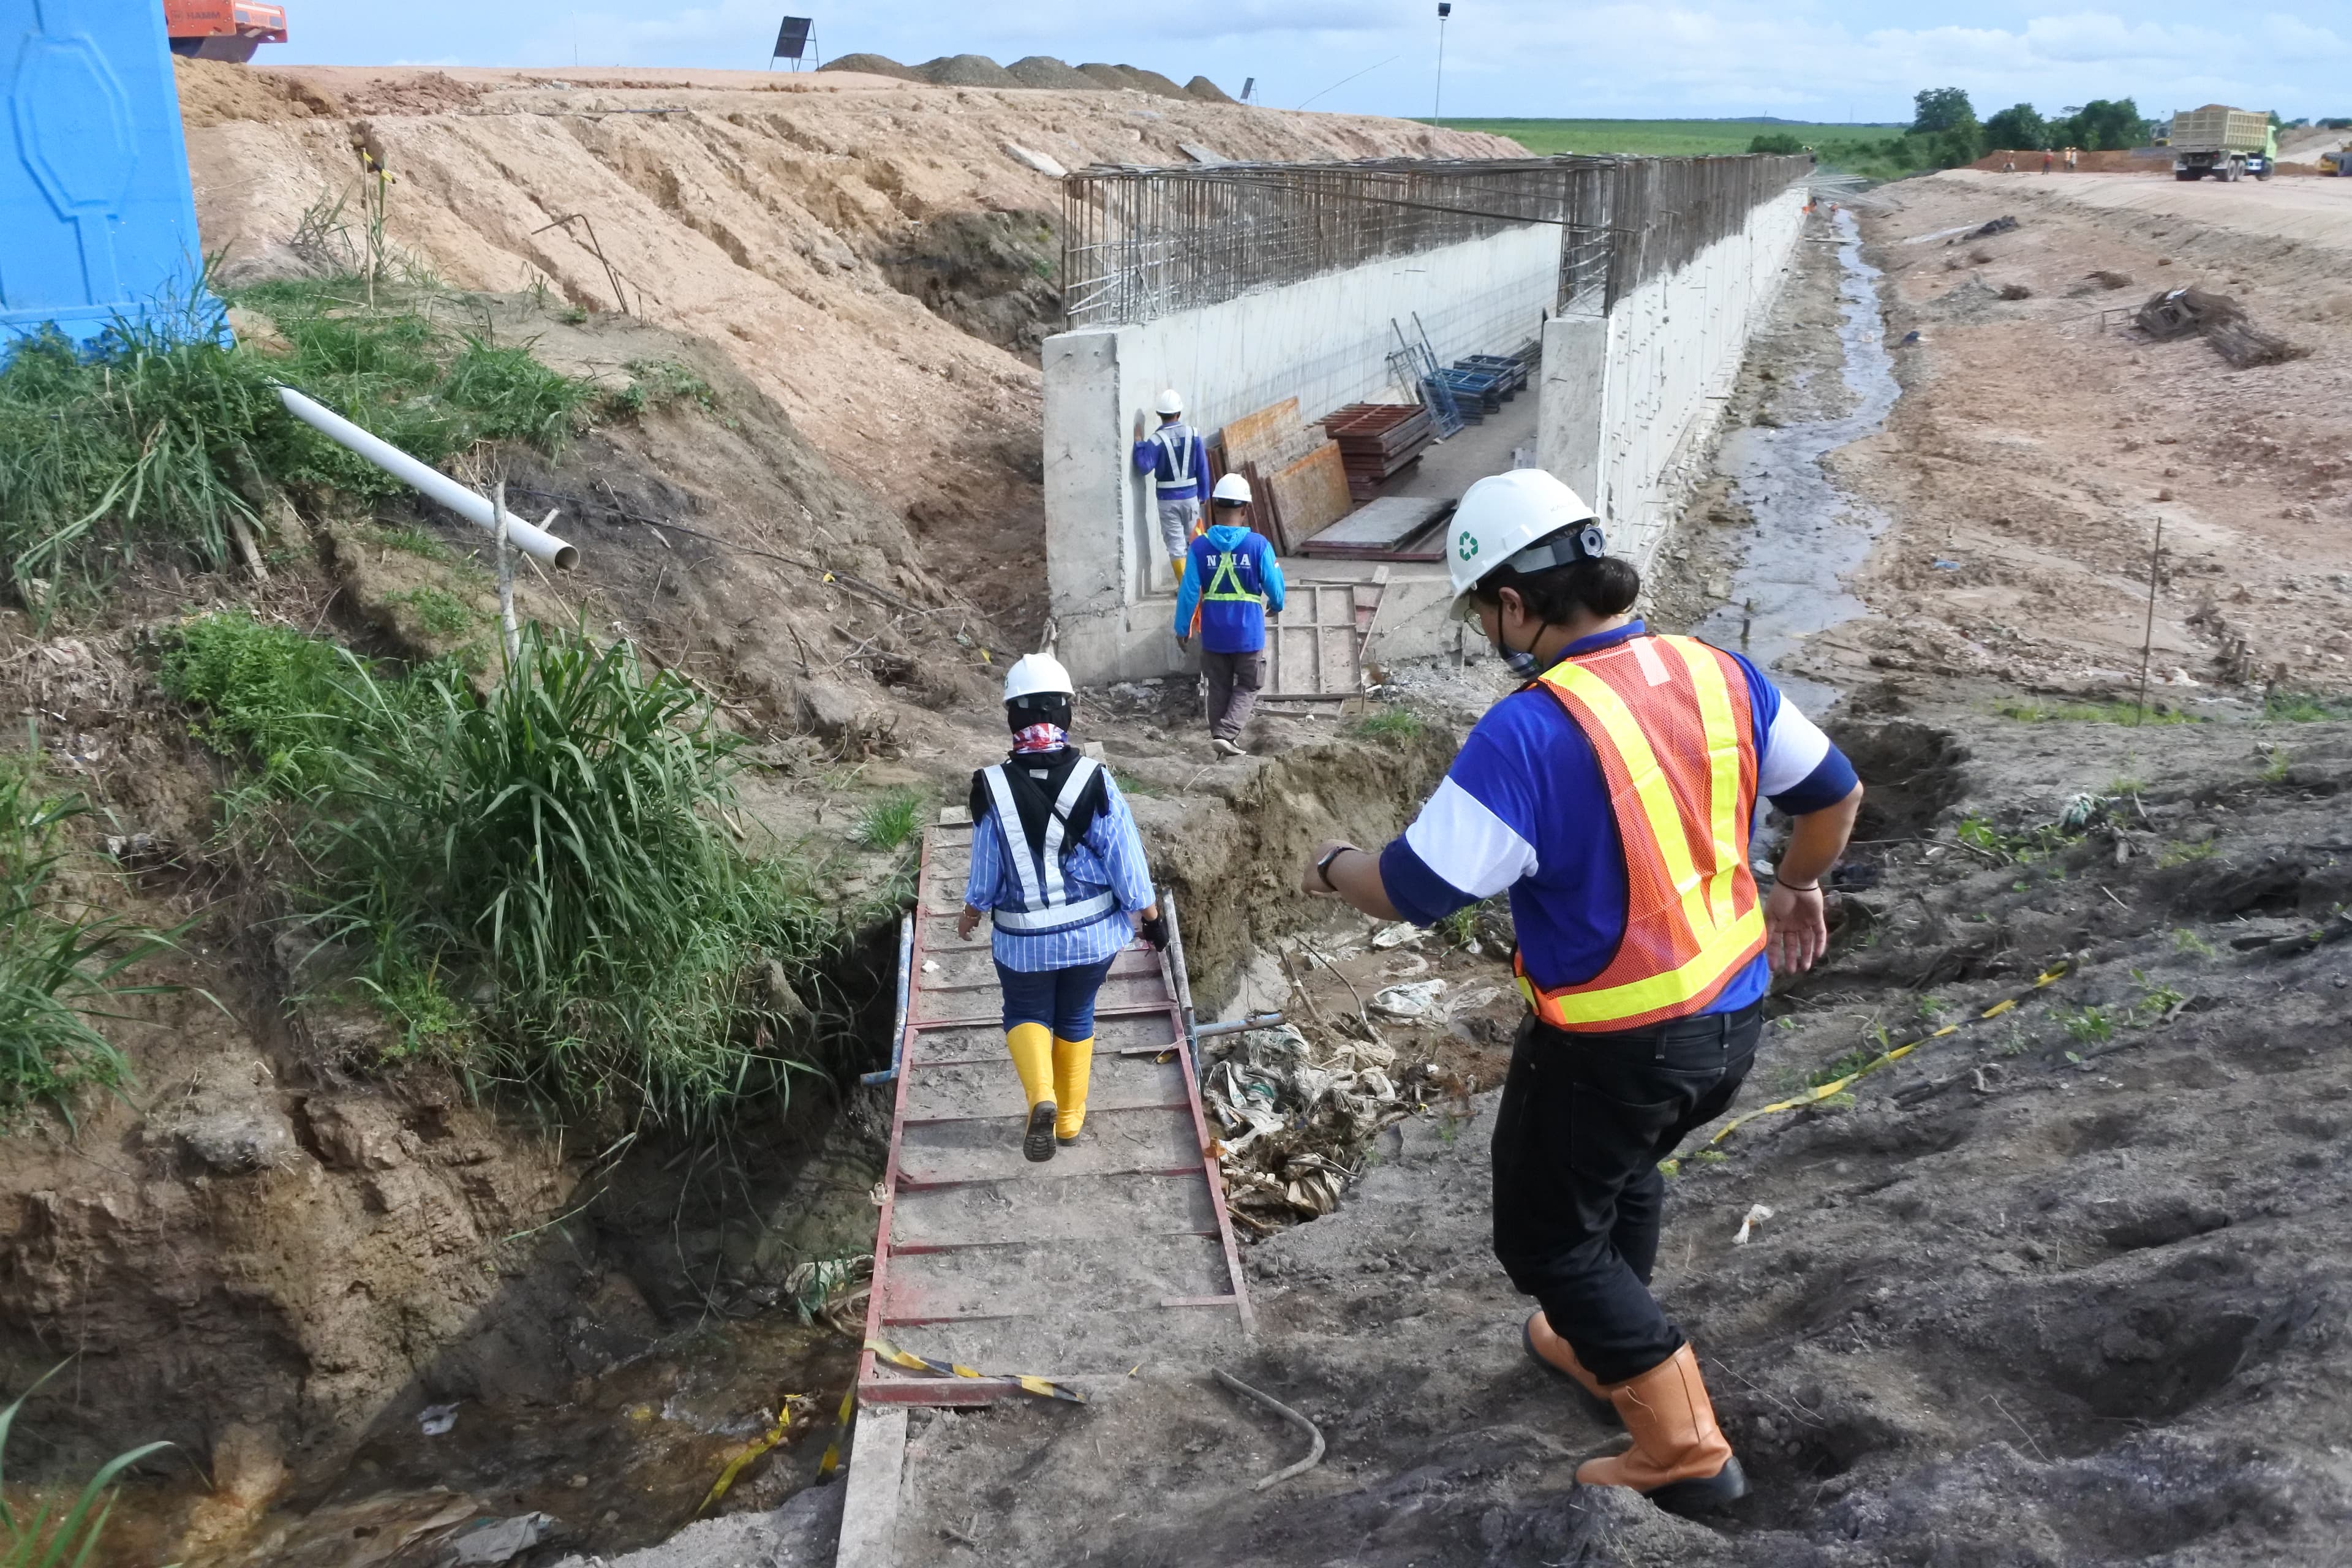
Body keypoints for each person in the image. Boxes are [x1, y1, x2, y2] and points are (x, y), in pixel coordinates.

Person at [1297, 470, 1861, 1515]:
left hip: (1613, 1044)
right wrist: (1797, 886)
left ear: (1515, 605)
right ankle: (1595, 1342)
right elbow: (1834, 792)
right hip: (1729, 1024)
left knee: (1548, 1239)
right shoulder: (1715, 672)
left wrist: (1334, 865)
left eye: (1483, 614)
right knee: (1622, 1173)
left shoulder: (1530, 730)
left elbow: (1416, 888)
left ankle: (1686, 1450)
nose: (1487, 634)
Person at [959, 654, 1166, 1162]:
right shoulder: (1094, 778)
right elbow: (1125, 856)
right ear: (1067, 713)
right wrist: (1149, 915)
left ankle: (1041, 1098)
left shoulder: (991, 785)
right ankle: (1070, 1121)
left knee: (1026, 1011)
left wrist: (971, 910)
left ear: (1013, 717)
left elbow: (986, 868)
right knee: (1077, 1012)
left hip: (1022, 937)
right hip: (1092, 932)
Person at [1172, 473, 1286, 759]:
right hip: (1248, 632)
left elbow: (1188, 591)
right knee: (1249, 684)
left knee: (1219, 687)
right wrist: (1277, 603)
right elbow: (1274, 583)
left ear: (1214, 508)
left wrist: (1182, 627)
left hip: (1214, 633)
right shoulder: (1258, 545)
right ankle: (1226, 734)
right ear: (1245, 510)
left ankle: (1220, 742)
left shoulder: (1199, 547)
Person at [1133, 388, 1207, 582]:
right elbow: (1202, 466)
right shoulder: (1194, 434)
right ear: (1179, 413)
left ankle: (1185, 589)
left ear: (1159, 415)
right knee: (1195, 540)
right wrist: (1204, 493)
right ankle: (1199, 585)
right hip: (1191, 498)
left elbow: (1144, 467)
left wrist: (1139, 444)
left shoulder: (1156, 440)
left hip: (1167, 501)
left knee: (1175, 544)